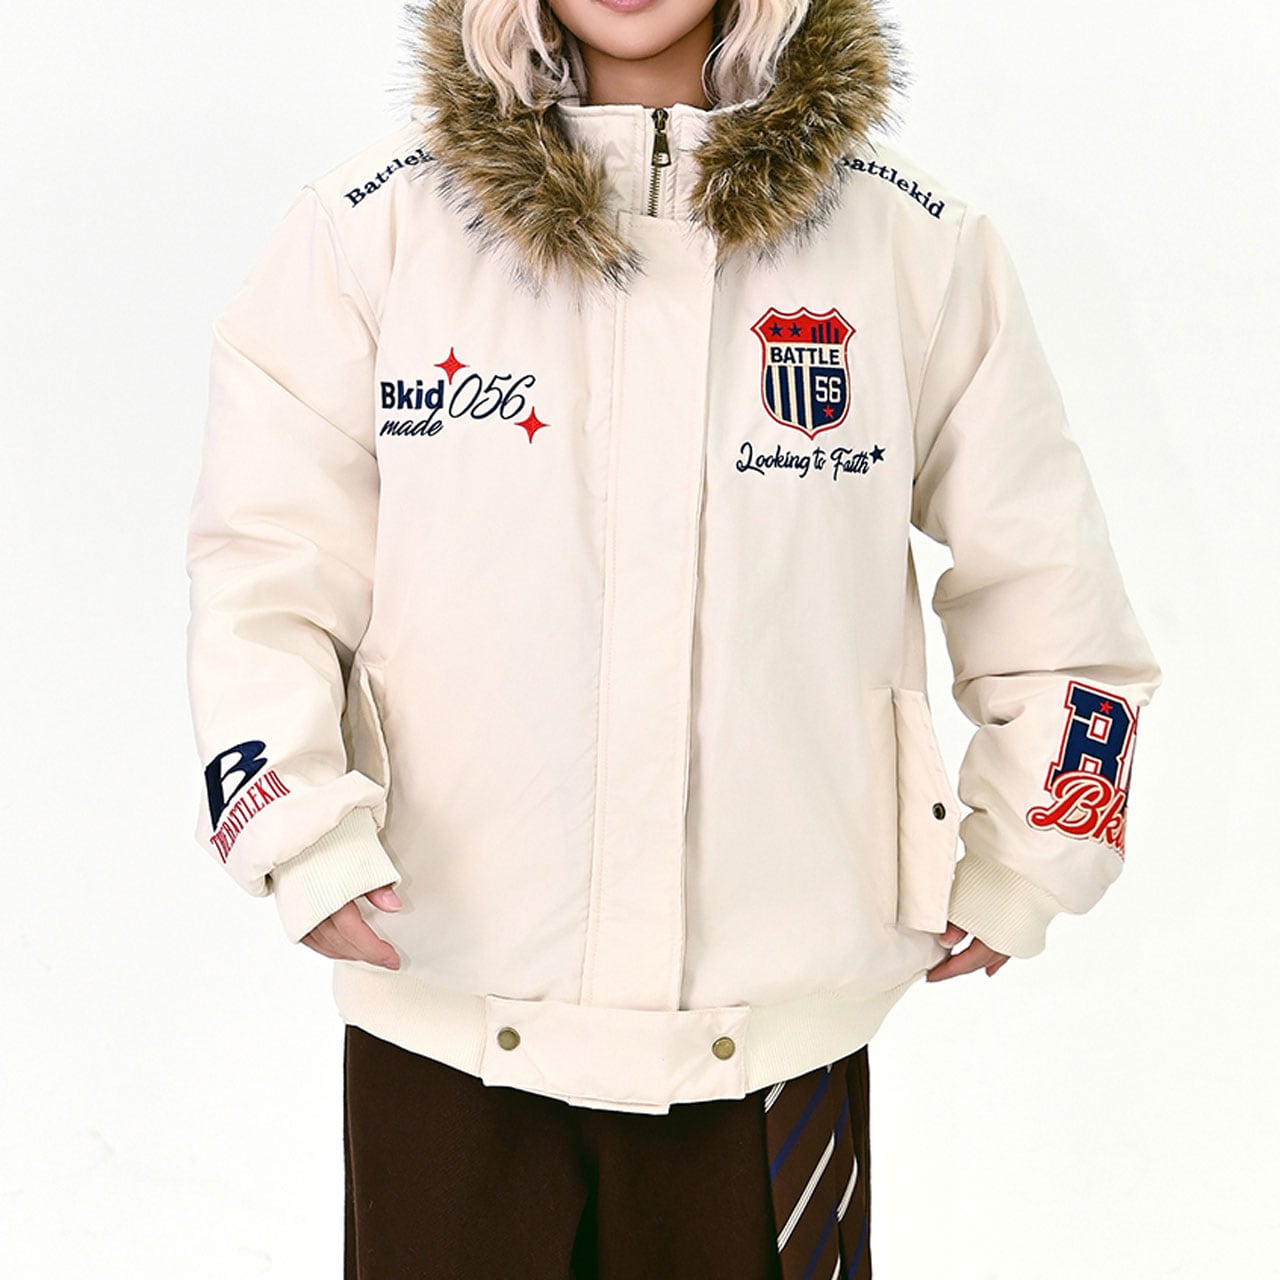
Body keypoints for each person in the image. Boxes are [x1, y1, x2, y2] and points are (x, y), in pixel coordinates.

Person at [184, 0, 1162, 1274]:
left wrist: (1033, 854)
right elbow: (263, 568)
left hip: (771, 1040)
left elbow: (1050, 590)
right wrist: (291, 828)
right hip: (441, 1009)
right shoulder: (373, 232)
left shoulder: (910, 246)